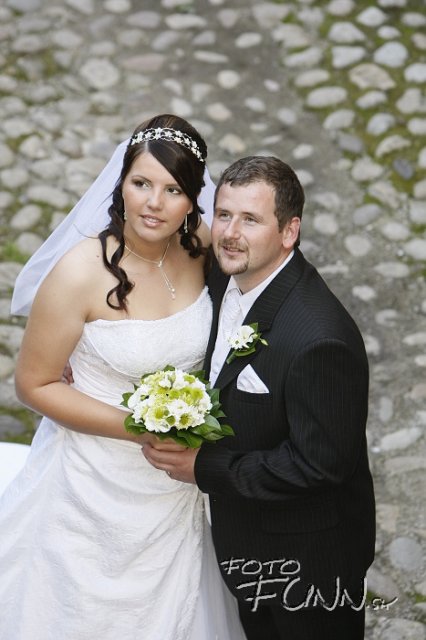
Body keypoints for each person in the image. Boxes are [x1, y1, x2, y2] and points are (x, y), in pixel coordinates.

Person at [0, 114, 246, 640]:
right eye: (141, 184)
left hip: (176, 482)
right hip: (90, 479)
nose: (154, 203)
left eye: (173, 190)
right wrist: (142, 429)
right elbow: (34, 384)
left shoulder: (201, 248)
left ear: (193, 200)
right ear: (121, 185)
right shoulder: (79, 272)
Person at [143, 155, 376, 640]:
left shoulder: (320, 339)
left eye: (251, 219)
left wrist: (204, 467)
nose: (230, 233)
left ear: (290, 232)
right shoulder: (223, 274)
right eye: (224, 214)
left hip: (307, 564)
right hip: (244, 544)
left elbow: (319, 466)